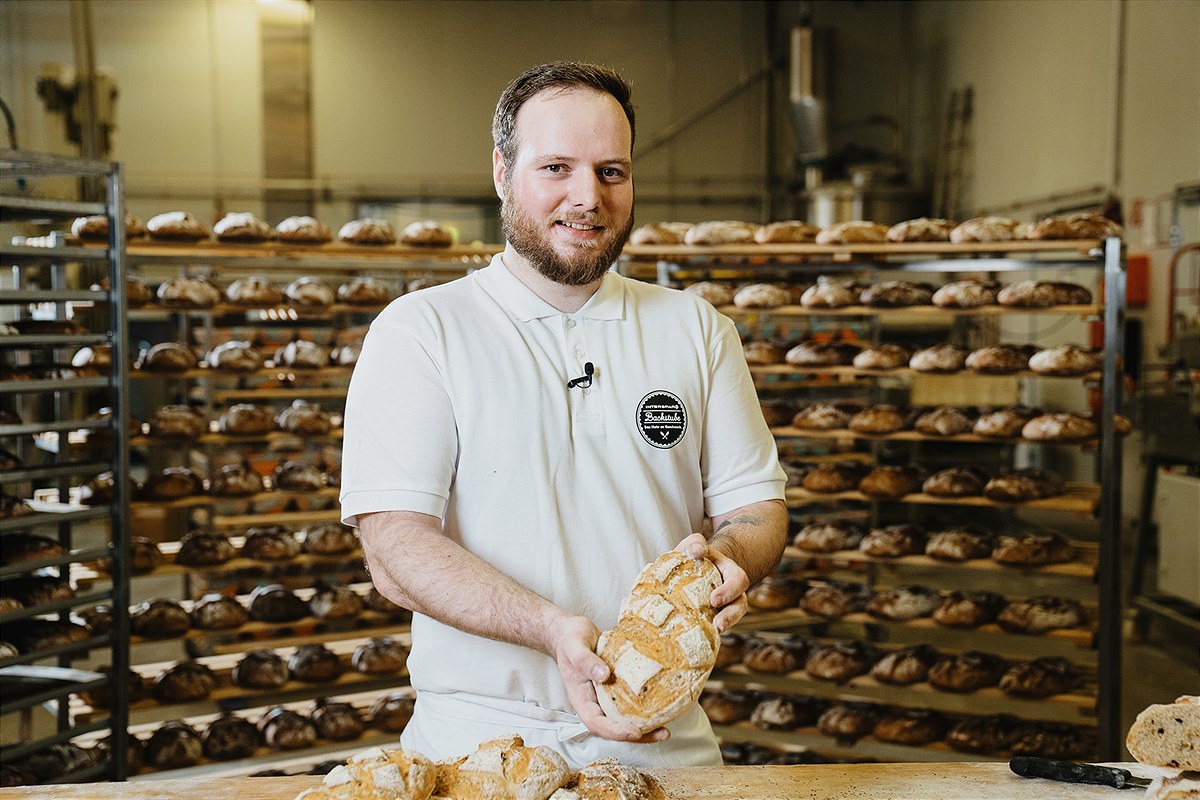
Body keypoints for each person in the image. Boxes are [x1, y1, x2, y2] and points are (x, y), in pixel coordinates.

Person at [339, 60, 787, 769]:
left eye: (612, 171)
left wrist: (731, 561)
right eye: (557, 167)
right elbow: (395, 544)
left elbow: (755, 507)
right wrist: (552, 630)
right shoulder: (424, 330)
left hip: (663, 742)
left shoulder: (696, 329)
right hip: (480, 749)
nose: (588, 197)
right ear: (501, 171)